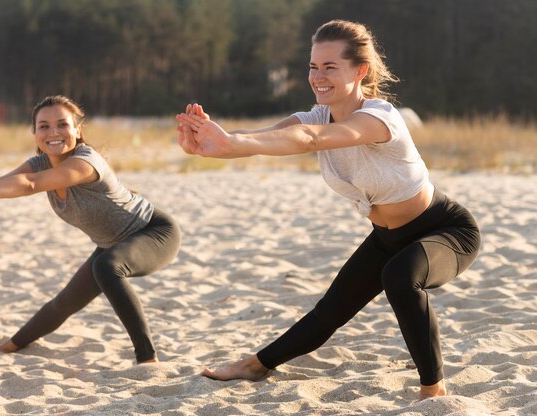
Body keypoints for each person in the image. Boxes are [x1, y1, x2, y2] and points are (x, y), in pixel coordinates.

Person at [176, 20, 480, 399]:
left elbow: (309, 140)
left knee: (400, 278)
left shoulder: (380, 118)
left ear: (360, 70)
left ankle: (433, 390)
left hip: (445, 231)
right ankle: (256, 365)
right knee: (330, 311)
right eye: (313, 67)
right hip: (388, 237)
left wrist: (231, 141)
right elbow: (264, 140)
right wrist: (214, 144)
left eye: (330, 67)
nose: (318, 77)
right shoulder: (315, 116)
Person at [0, 95, 181, 364]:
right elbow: (6, 181)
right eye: (44, 126)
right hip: (113, 243)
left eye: (62, 124)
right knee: (65, 302)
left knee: (106, 268)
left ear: (77, 129)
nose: (53, 132)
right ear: (35, 133)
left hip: (154, 232)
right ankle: (11, 345)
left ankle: (147, 359)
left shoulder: (86, 161)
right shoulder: (39, 163)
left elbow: (29, 184)